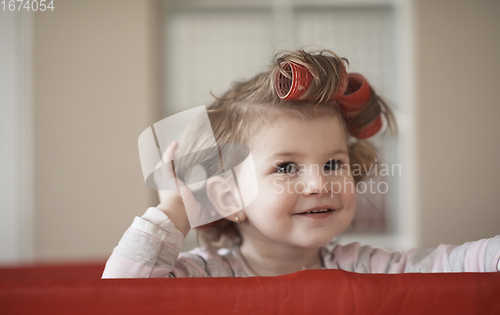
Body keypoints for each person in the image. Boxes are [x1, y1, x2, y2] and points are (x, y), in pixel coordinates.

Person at [102, 48, 500, 278]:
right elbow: (121, 298)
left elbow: (450, 267)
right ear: (228, 197)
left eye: (333, 164)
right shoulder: (203, 275)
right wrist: (176, 207)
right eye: (287, 167)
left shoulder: (361, 268)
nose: (319, 184)